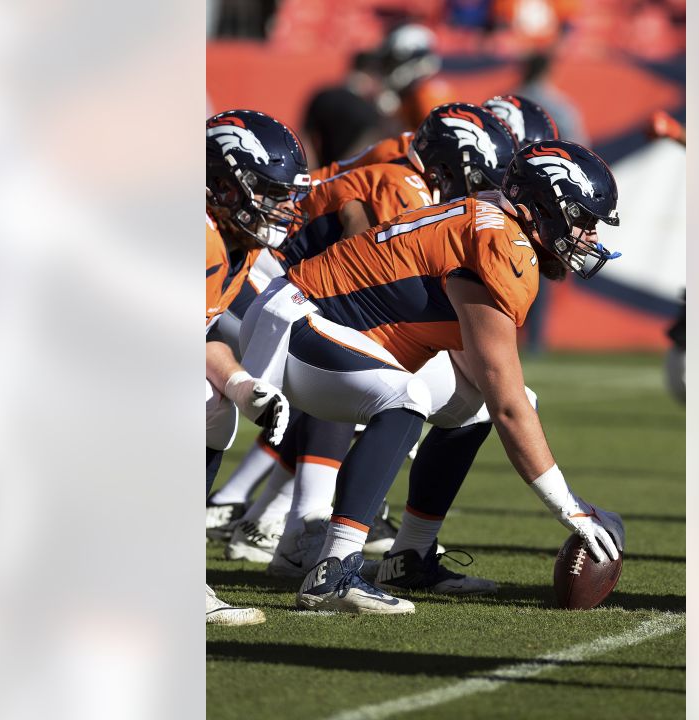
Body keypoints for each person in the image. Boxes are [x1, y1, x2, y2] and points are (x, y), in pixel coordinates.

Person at [237, 139, 627, 614]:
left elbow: (496, 396)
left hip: (328, 327)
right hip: (298, 321)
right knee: (406, 398)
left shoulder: (497, 222)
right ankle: (333, 572)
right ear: (542, 206)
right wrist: (569, 506)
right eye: (582, 219)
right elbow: (508, 405)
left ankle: (411, 555)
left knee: (476, 406)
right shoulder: (502, 244)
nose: (588, 236)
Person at [204, 108, 311, 625]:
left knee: (215, 404)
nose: (278, 207)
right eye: (266, 192)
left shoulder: (234, 244)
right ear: (223, 183)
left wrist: (241, 383)